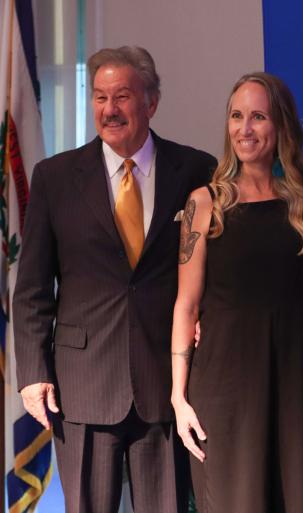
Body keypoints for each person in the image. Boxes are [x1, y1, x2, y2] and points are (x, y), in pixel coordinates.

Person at [13, 46, 215, 513]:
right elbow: (32, 289)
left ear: (151, 102)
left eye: (122, 96)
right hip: (82, 386)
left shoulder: (197, 172)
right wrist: (33, 372)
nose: (109, 109)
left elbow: (214, 272)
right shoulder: (55, 177)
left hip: (166, 386)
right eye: (99, 97)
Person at [169, 72, 303, 513]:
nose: (244, 128)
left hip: (297, 385)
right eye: (236, 116)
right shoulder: (204, 204)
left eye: (258, 117)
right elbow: (186, 304)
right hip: (225, 390)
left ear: (281, 126)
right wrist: (179, 397)